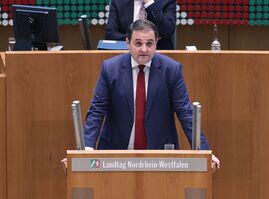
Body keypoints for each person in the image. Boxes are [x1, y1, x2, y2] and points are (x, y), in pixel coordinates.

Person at [82, 19, 220, 169]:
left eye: (149, 43)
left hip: (159, 155)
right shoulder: (110, 69)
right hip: (116, 154)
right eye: (138, 43)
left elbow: (185, 113)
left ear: (156, 43)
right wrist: (87, 149)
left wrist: (203, 151)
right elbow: (96, 111)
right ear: (127, 43)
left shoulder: (171, 70)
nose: (144, 49)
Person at [105, 0, 176, 50]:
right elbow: (110, 34)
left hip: (159, 52)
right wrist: (137, 39)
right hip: (125, 52)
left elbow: (167, 32)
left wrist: (149, 3)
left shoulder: (167, 1)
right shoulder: (119, 1)